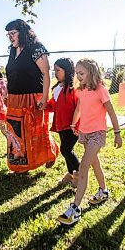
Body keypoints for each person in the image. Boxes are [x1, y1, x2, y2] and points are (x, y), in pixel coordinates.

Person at [57, 58, 122, 225]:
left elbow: (112, 113)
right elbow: (79, 107)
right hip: (84, 133)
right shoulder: (81, 89)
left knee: (84, 166)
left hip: (97, 133)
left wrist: (117, 132)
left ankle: (75, 209)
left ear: (91, 72)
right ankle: (103, 191)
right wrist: (73, 123)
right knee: (95, 164)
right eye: (77, 73)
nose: (78, 76)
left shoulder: (100, 89)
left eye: (81, 73)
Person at [4, 19, 59, 172]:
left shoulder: (36, 48)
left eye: (13, 33)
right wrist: (7, 93)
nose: (10, 37)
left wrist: (44, 97)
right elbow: (11, 74)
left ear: (22, 32)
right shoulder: (12, 50)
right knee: (16, 131)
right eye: (8, 34)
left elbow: (46, 74)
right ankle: (21, 164)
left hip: (33, 96)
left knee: (34, 130)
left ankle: (50, 152)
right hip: (14, 98)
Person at [46, 58, 80, 187]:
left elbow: (79, 107)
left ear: (67, 70)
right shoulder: (57, 88)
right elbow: (52, 106)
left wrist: (76, 124)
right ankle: (71, 173)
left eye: (58, 70)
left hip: (72, 125)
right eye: (54, 70)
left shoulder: (74, 88)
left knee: (66, 149)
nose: (56, 73)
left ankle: (79, 174)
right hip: (60, 124)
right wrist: (43, 105)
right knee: (66, 150)